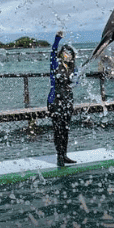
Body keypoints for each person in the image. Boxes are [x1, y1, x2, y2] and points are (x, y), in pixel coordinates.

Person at [48, 31, 76, 167]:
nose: (68, 55)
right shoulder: (55, 64)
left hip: (68, 100)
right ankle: (59, 155)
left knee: (65, 128)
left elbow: (75, 82)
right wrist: (57, 39)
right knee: (58, 128)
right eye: (66, 53)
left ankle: (64, 154)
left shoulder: (72, 68)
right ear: (61, 54)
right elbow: (52, 52)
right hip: (55, 100)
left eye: (70, 54)